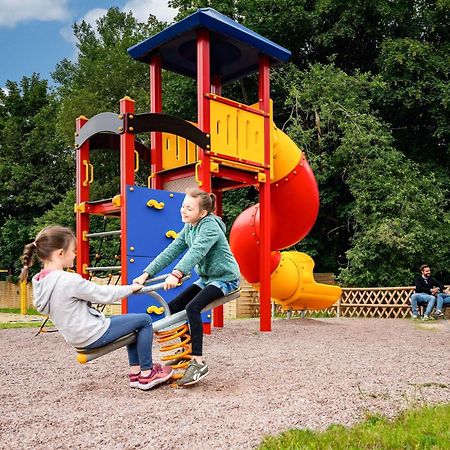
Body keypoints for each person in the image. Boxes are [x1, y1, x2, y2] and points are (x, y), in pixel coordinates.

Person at [20, 225, 173, 391]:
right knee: (144, 320)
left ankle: (136, 374)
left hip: (77, 336)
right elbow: (102, 293)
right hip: (92, 333)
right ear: (60, 253)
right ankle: (147, 373)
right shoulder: (67, 280)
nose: (76, 253)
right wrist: (130, 288)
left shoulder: (40, 282)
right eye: (73, 250)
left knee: (132, 322)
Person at [133, 188, 240, 386]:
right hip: (207, 278)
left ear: (203, 213)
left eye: (189, 209)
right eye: (183, 206)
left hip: (225, 278)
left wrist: (177, 273)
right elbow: (171, 251)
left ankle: (198, 362)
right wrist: (146, 274)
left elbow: (197, 252)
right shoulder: (190, 227)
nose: (183, 211)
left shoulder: (210, 227)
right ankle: (185, 353)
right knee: (172, 307)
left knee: (192, 308)